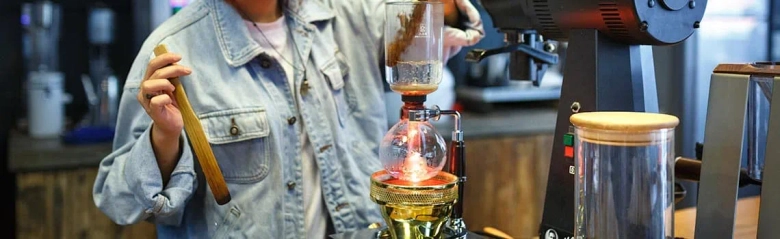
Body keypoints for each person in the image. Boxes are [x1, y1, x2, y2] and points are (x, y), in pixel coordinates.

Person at [92, 0, 484, 238]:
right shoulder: (172, 50)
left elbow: (434, 26)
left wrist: (441, 9)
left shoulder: (347, 16)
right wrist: (164, 138)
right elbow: (121, 203)